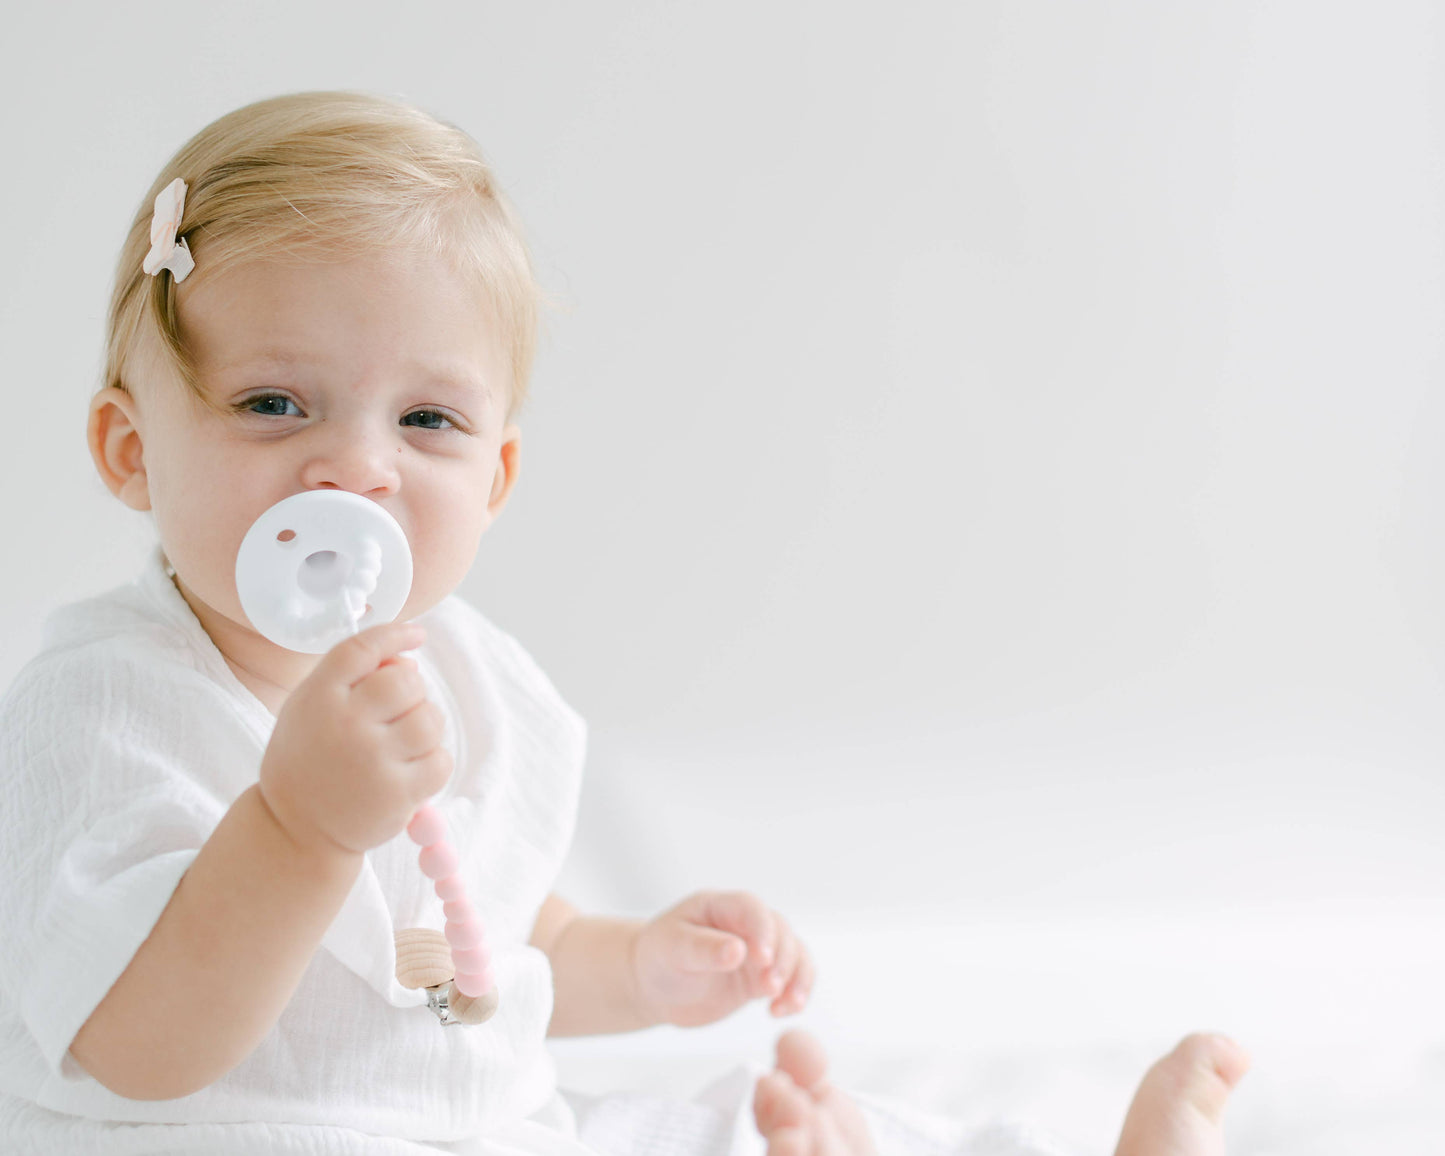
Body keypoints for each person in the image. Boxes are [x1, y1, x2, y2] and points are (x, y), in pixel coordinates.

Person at [0, 90, 1250, 1156]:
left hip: (490, 1127)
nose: (356, 470)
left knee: (738, 1124)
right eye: (275, 402)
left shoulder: (464, 683)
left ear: (492, 479)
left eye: (426, 422)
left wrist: (635, 965)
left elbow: (478, 953)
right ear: (130, 450)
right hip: (246, 1135)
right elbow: (136, 1043)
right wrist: (296, 828)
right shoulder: (109, 701)